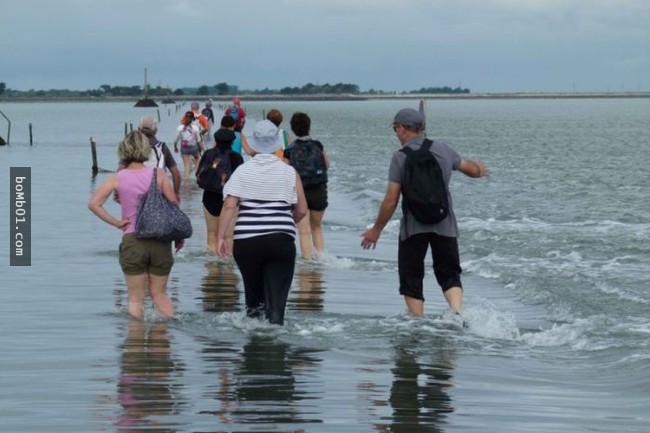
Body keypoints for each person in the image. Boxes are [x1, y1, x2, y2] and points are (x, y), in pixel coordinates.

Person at [360, 108, 489, 317]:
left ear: (402, 128)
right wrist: (480, 170)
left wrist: (376, 229)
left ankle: (418, 324)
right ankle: (456, 311)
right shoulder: (443, 149)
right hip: (444, 223)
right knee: (449, 273)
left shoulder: (400, 157)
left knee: (411, 278)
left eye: (395, 129)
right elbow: (470, 169)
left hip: (414, 227)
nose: (396, 134)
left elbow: (391, 199)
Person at [217, 120, 308, 325]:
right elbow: (302, 210)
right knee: (276, 305)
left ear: (254, 143)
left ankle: (255, 341)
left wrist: (221, 237)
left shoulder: (243, 170)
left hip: (247, 242)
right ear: (277, 143)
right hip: (281, 241)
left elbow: (230, 205)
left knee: (254, 300)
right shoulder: (289, 172)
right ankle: (275, 335)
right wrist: (284, 224)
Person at [88, 131, 183, 320]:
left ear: (123, 151)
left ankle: (135, 344)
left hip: (132, 238)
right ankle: (164, 340)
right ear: (145, 150)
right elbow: (174, 206)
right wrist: (178, 237)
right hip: (160, 240)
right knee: (160, 294)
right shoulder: (159, 174)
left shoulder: (118, 177)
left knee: (135, 299)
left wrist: (116, 223)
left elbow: (94, 203)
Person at [283, 112, 330, 261]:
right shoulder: (318, 145)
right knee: (317, 227)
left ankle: (308, 262)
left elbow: (284, 172)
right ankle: (321, 259)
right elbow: (327, 165)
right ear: (309, 126)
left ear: (293, 129)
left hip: (299, 192)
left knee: (303, 231)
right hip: (319, 190)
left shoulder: (289, 149)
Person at [197, 128, 244, 253]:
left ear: (215, 140)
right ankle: (228, 269)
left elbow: (199, 174)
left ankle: (212, 268)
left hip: (209, 198)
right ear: (232, 141)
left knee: (212, 234)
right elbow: (241, 181)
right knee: (229, 237)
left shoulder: (208, 154)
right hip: (230, 198)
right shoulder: (236, 157)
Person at [136, 115, 181, 201]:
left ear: (139, 130)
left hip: (138, 189)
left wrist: (117, 191)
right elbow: (176, 174)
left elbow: (121, 170)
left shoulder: (132, 148)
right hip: (159, 189)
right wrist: (176, 193)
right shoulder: (162, 147)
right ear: (155, 131)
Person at [173, 110, 204, 178]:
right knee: (197, 162)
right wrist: (204, 150)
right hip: (194, 149)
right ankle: (198, 178)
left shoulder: (180, 128)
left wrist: (175, 147)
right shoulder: (195, 128)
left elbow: (175, 140)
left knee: (187, 165)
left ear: (184, 117)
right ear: (193, 119)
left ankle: (186, 181)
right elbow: (199, 140)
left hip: (184, 149)